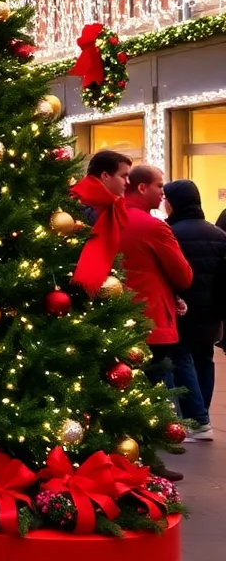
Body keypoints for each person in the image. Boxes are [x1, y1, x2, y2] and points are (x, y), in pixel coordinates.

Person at [120, 165, 194, 480]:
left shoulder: (108, 217)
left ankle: (121, 455)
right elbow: (184, 275)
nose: (162, 193)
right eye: (158, 186)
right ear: (140, 188)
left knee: (121, 390)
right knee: (151, 393)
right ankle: (147, 459)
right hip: (152, 320)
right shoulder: (153, 227)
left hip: (116, 316)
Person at [163, 179, 226, 441]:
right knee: (204, 358)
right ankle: (204, 414)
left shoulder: (170, 233)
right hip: (211, 310)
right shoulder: (218, 234)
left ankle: (194, 418)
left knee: (181, 359)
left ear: (174, 203)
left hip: (182, 308)